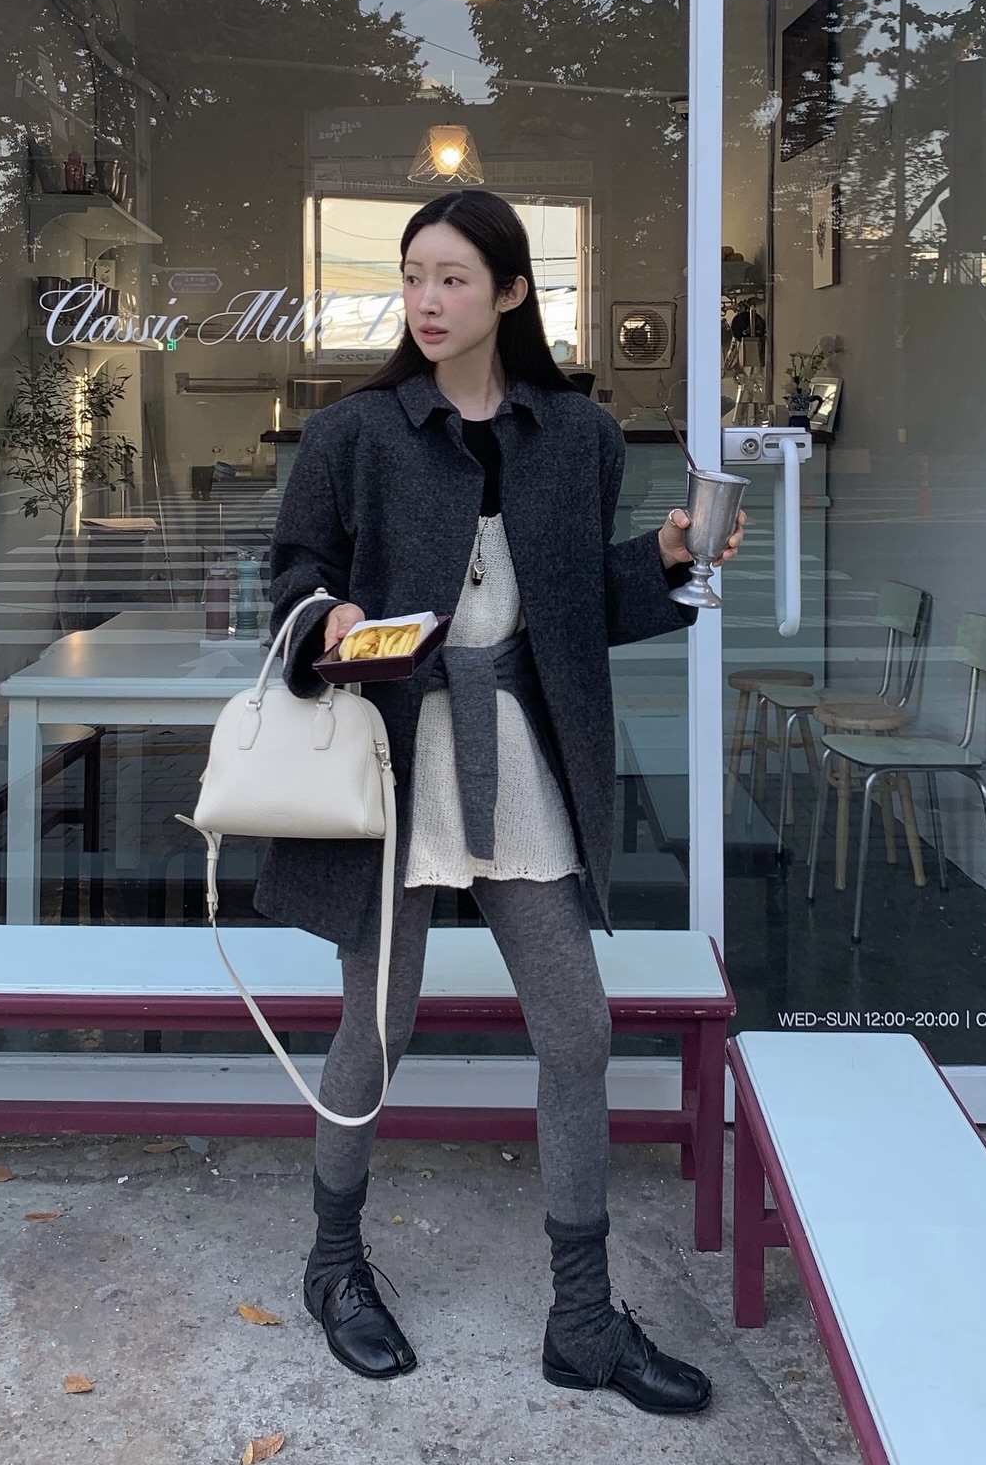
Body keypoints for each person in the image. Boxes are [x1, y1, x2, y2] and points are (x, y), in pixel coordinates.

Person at [262, 189, 743, 1415]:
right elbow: (293, 573)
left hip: (518, 754)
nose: (427, 300)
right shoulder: (355, 432)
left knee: (578, 1031)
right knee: (378, 1031)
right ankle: (333, 1267)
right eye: (413, 275)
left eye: (454, 278)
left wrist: (667, 561)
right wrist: (330, 616)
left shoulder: (578, 436)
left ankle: (582, 1320)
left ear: (513, 292)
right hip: (390, 761)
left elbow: (574, 608)